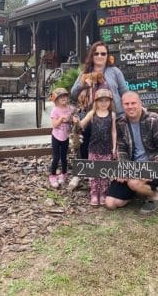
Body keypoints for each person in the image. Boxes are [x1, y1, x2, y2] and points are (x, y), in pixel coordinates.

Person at [68, 41, 128, 191]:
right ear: (92, 55)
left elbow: (124, 92)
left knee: (111, 143)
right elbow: (73, 93)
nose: (100, 56)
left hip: (113, 113)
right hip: (90, 113)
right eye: (96, 53)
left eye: (103, 53)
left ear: (107, 56)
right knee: (84, 139)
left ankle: (106, 171)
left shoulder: (114, 72)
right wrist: (84, 84)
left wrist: (130, 108)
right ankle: (81, 171)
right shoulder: (85, 72)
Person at [105, 91, 158, 214]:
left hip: (154, 166)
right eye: (126, 104)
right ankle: (136, 190)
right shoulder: (121, 123)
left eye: (133, 103)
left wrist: (150, 169)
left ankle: (153, 195)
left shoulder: (154, 119)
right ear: (122, 105)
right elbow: (121, 149)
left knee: (134, 183)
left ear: (140, 103)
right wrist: (124, 169)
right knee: (111, 203)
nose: (130, 106)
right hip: (132, 166)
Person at [73, 88, 117, 206]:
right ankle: (94, 193)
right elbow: (82, 125)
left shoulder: (112, 115)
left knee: (104, 172)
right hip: (93, 148)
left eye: (106, 100)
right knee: (93, 172)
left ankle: (103, 193)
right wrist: (77, 121)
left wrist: (114, 146)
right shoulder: (92, 113)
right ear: (96, 102)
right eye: (101, 101)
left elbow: (113, 131)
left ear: (110, 102)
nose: (104, 103)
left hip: (106, 148)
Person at [49, 87, 74, 188]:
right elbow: (54, 125)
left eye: (65, 96)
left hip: (65, 136)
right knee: (56, 157)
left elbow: (74, 116)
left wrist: (73, 119)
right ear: (56, 100)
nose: (64, 98)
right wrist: (61, 118)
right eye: (61, 97)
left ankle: (64, 173)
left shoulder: (69, 108)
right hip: (56, 136)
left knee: (64, 157)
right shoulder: (55, 110)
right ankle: (53, 175)